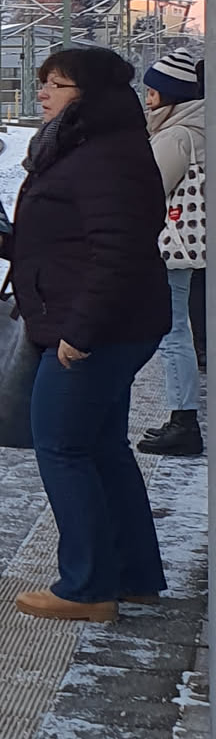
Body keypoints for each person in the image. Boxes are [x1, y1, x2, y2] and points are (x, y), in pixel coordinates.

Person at [0, 45, 169, 624]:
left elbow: (118, 252)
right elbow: (66, 244)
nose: (43, 93)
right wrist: (2, 241)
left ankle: (86, 588)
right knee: (101, 448)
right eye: (44, 81)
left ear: (90, 95)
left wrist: (81, 331)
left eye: (57, 84)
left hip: (95, 329)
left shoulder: (105, 156)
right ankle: (132, 574)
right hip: (104, 322)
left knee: (62, 448)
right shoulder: (85, 148)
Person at [136, 36, 206, 458]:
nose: (147, 101)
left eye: (152, 93)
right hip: (188, 245)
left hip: (173, 246)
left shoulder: (176, 135)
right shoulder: (197, 127)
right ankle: (183, 417)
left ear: (170, 95)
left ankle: (184, 421)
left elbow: (147, 190)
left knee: (174, 331)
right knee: (176, 328)